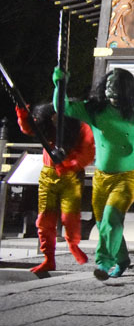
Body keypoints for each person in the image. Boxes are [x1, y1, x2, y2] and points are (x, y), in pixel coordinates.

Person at [53, 67, 134, 280]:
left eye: (116, 85)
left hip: (130, 176)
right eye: (108, 85)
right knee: (104, 223)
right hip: (102, 176)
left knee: (111, 218)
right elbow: (62, 107)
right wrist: (59, 85)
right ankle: (122, 259)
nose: (111, 90)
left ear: (128, 89)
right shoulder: (94, 110)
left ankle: (104, 262)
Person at [16, 103, 94, 273]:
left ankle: (73, 244)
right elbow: (29, 129)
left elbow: (88, 152)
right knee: (45, 219)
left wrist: (70, 164)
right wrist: (23, 116)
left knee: (70, 217)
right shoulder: (45, 124)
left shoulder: (80, 127)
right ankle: (48, 258)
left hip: (71, 177)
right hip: (48, 174)